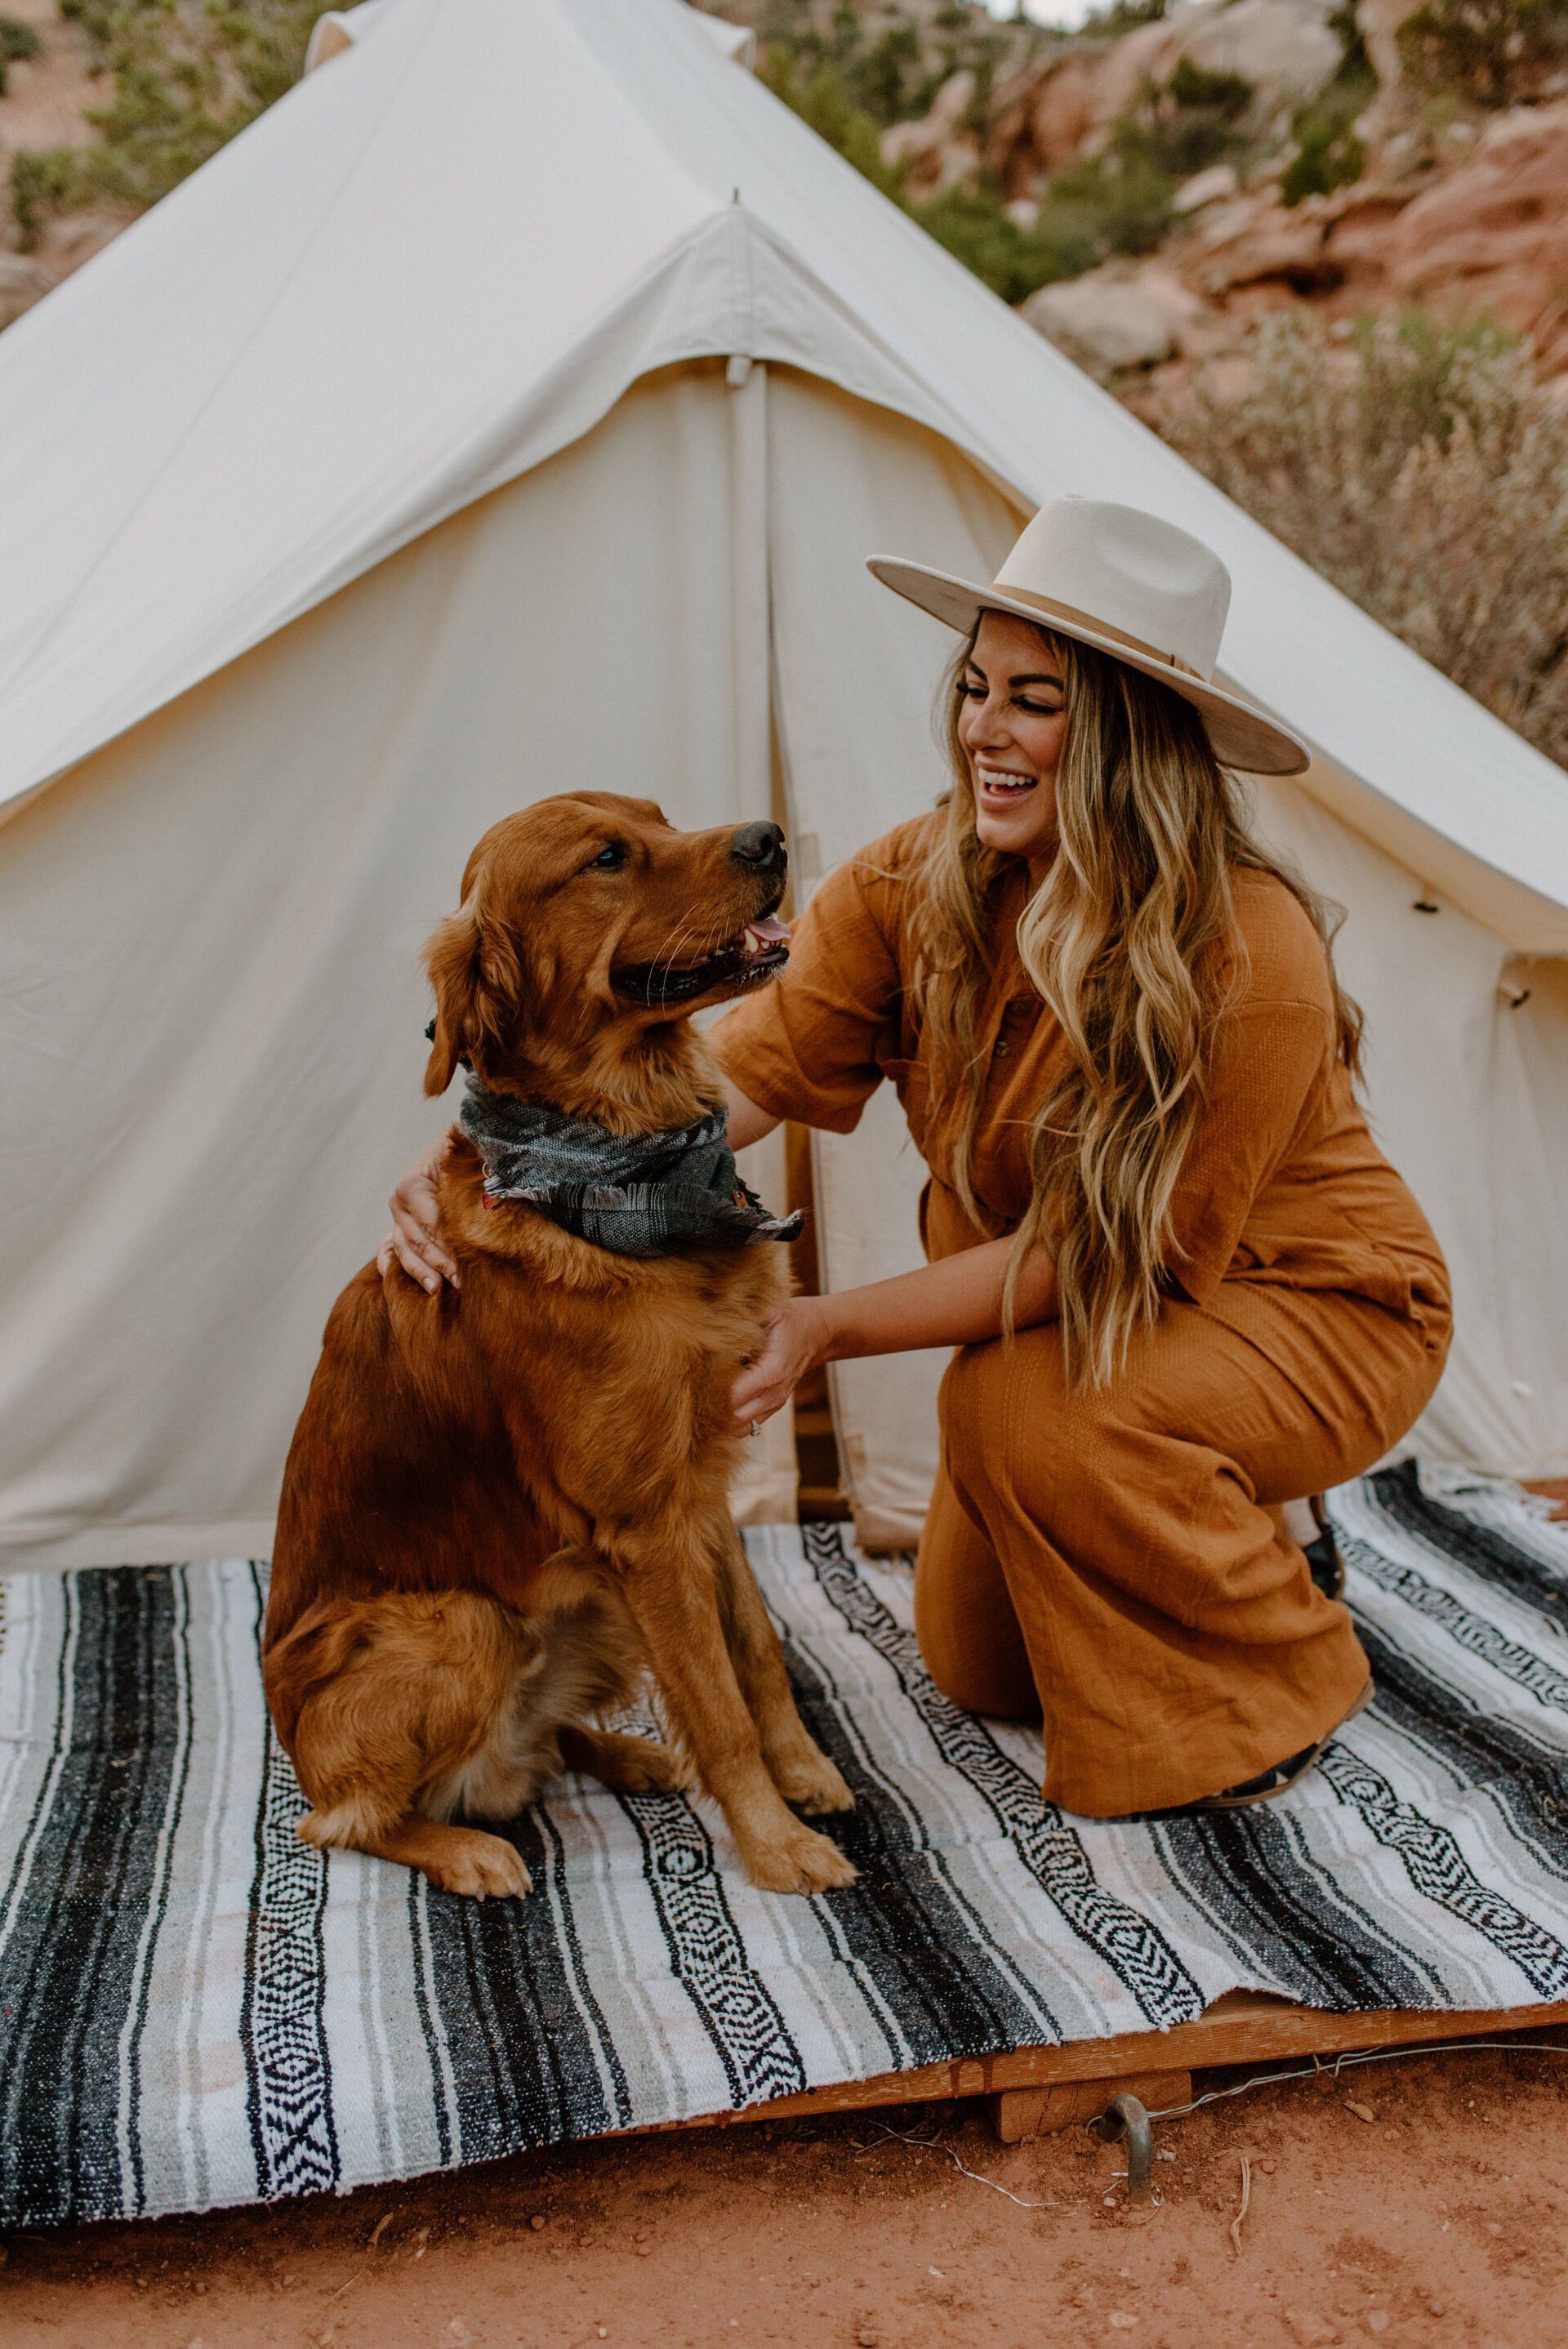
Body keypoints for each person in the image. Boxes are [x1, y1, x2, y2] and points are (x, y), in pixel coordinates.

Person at [385, 497, 1450, 1819]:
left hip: (1309, 1300)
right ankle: (1226, 1532)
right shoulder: (914, 884)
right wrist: (482, 1165)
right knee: (977, 1661)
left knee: (1017, 1416)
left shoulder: (1251, 950)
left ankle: (1289, 1669)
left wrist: (822, 1328)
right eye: (977, 688)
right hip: (1082, 1318)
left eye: (1036, 703)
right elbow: (732, 1085)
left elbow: (1110, 1256)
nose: (983, 733)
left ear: (1127, 738)